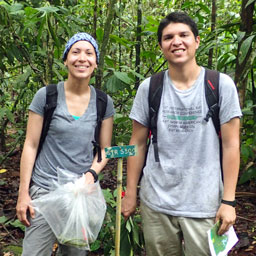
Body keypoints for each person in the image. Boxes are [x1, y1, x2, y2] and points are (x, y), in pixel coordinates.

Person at [121, 12, 242, 256]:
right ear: (161, 46)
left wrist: (228, 201)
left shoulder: (220, 85)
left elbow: (231, 145)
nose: (176, 41)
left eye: (183, 35)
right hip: (157, 202)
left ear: (197, 41)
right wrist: (131, 192)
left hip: (205, 203)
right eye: (168, 37)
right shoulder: (150, 88)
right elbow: (138, 143)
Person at [16, 32, 115, 256]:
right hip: (44, 191)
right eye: (76, 52)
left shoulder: (103, 102)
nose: (82, 58)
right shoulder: (47, 96)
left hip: (80, 195)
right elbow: (30, 145)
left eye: (89, 53)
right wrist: (23, 194)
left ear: (96, 63)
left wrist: (91, 174)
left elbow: (105, 148)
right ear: (65, 59)